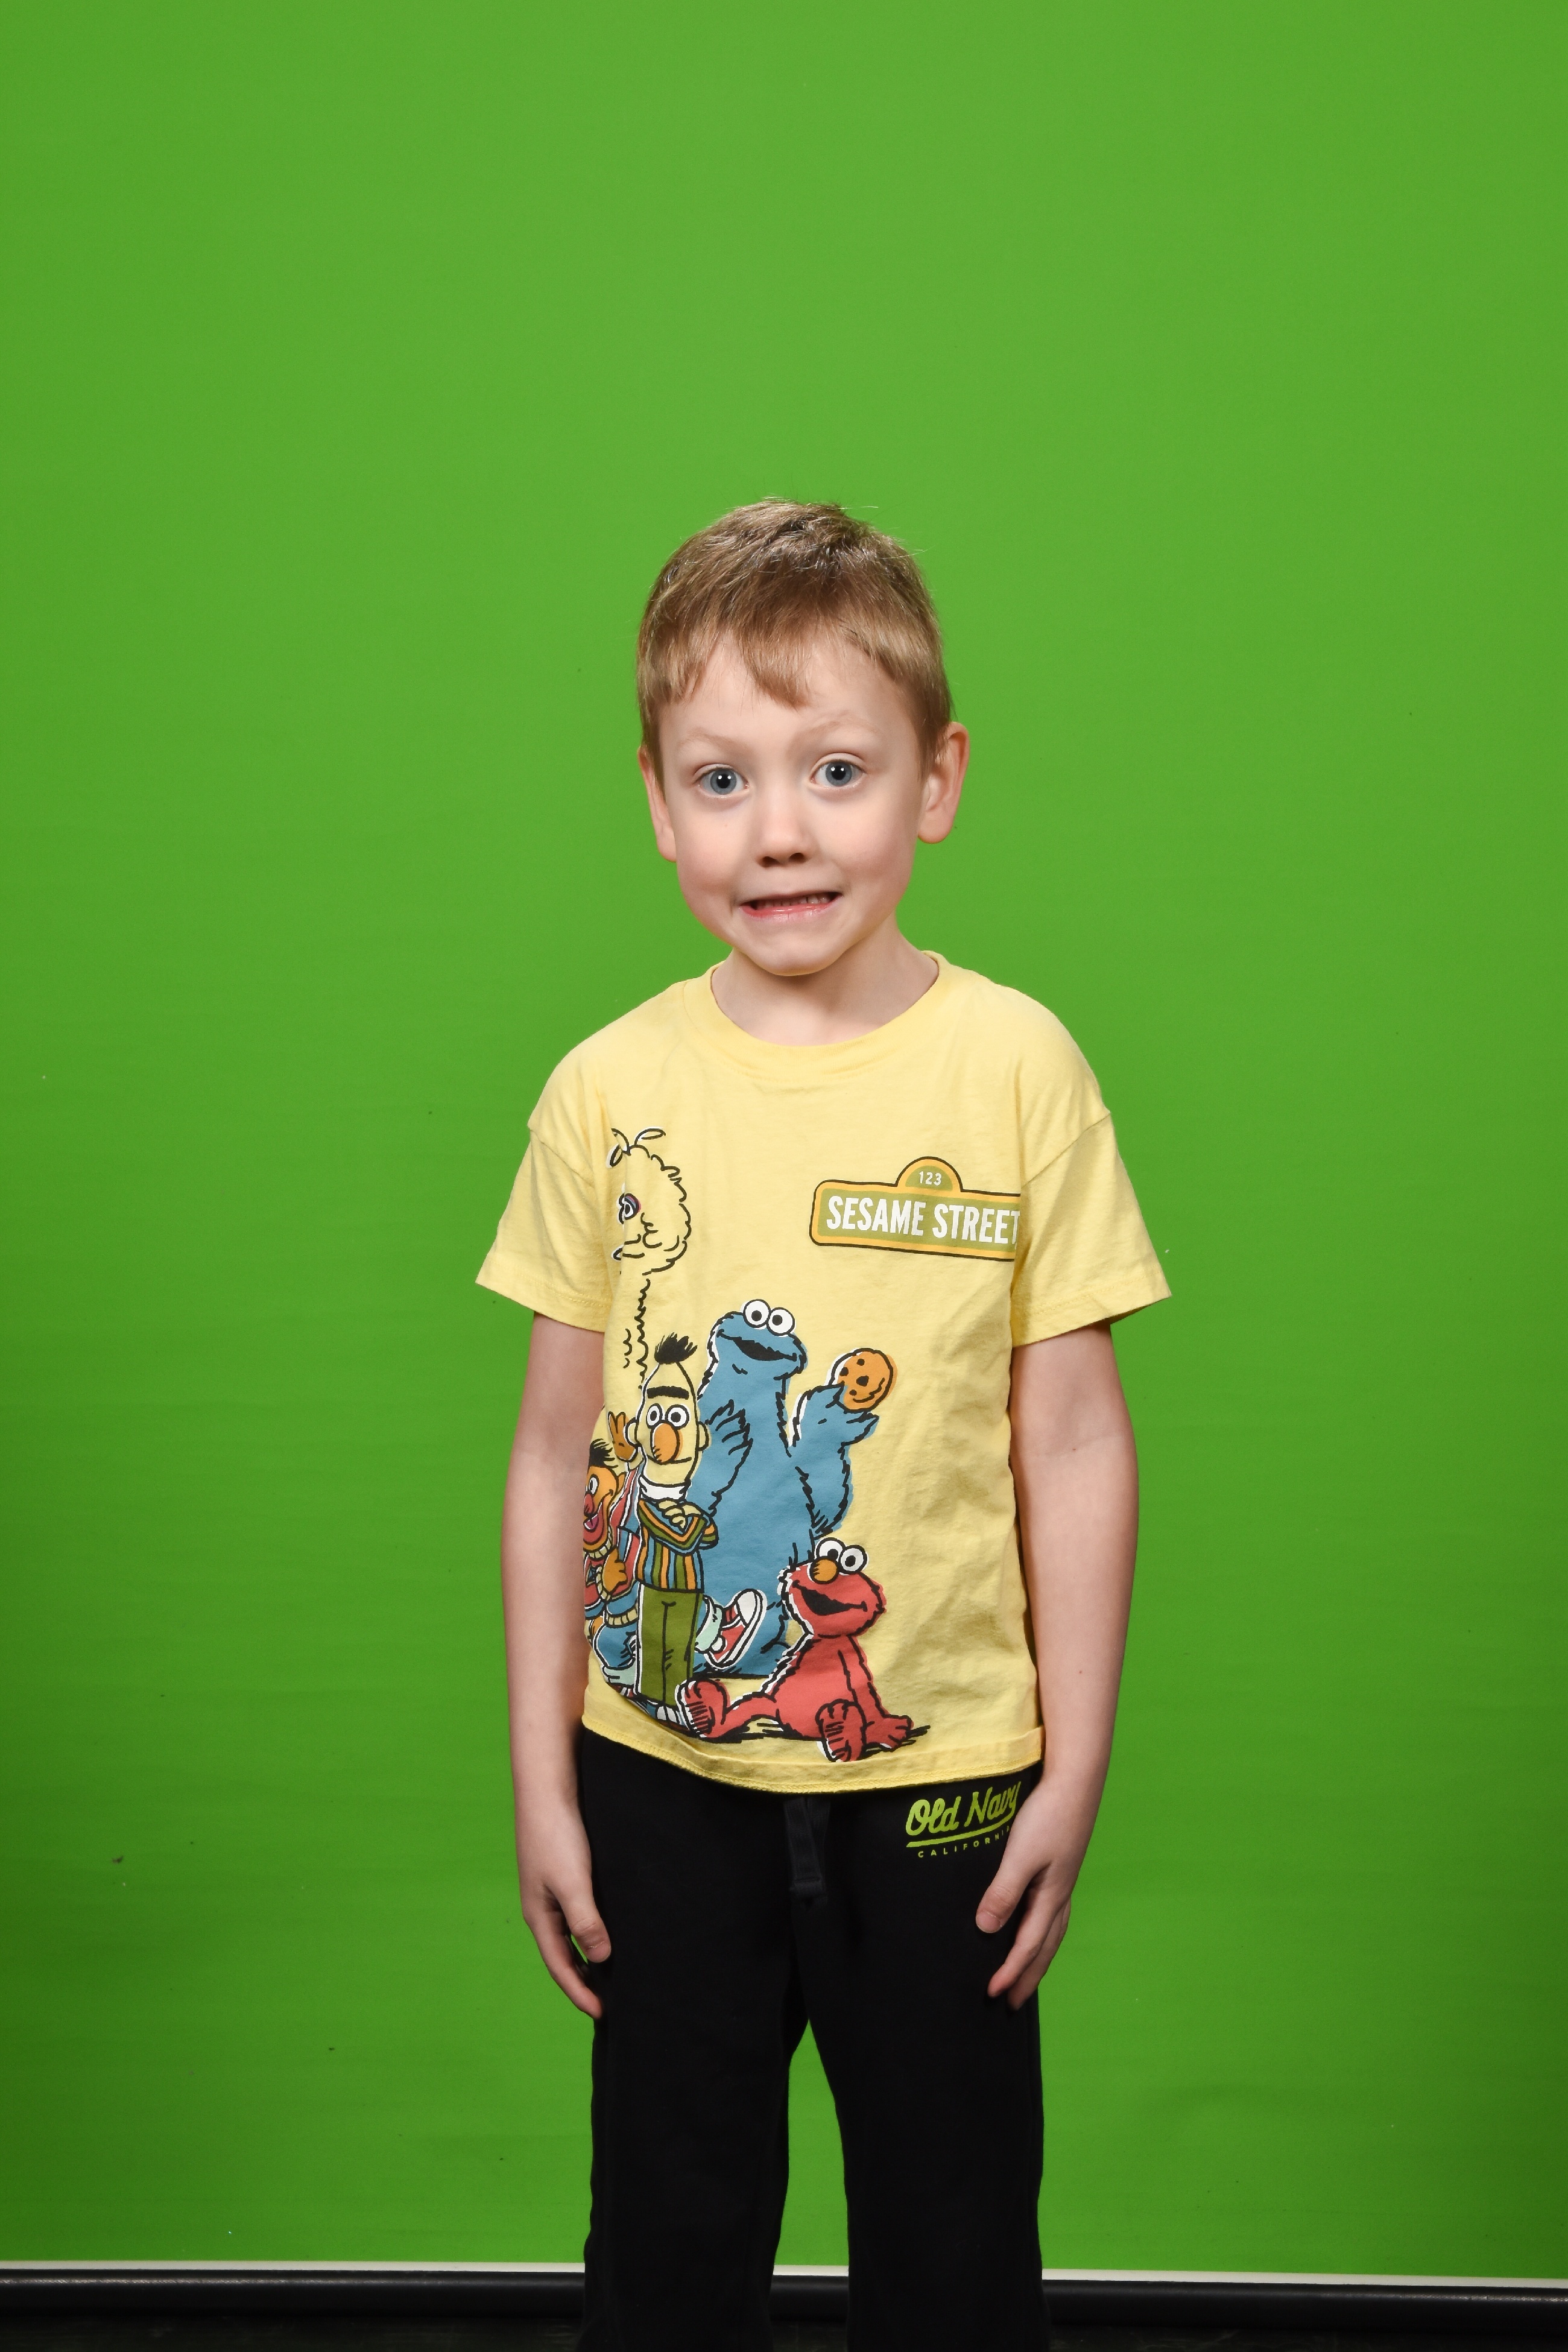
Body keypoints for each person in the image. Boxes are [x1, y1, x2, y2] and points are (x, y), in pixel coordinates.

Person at [478, 501, 1169, 2352]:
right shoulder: (607, 1091)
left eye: (837, 770)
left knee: (954, 2238)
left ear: (936, 781)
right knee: (671, 2227)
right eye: (723, 778)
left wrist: (1076, 1761)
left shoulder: (1016, 1068)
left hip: (943, 1781)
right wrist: (544, 1773)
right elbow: (552, 1452)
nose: (779, 829)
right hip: (661, 1766)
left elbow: (1074, 1438)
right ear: (657, 800)